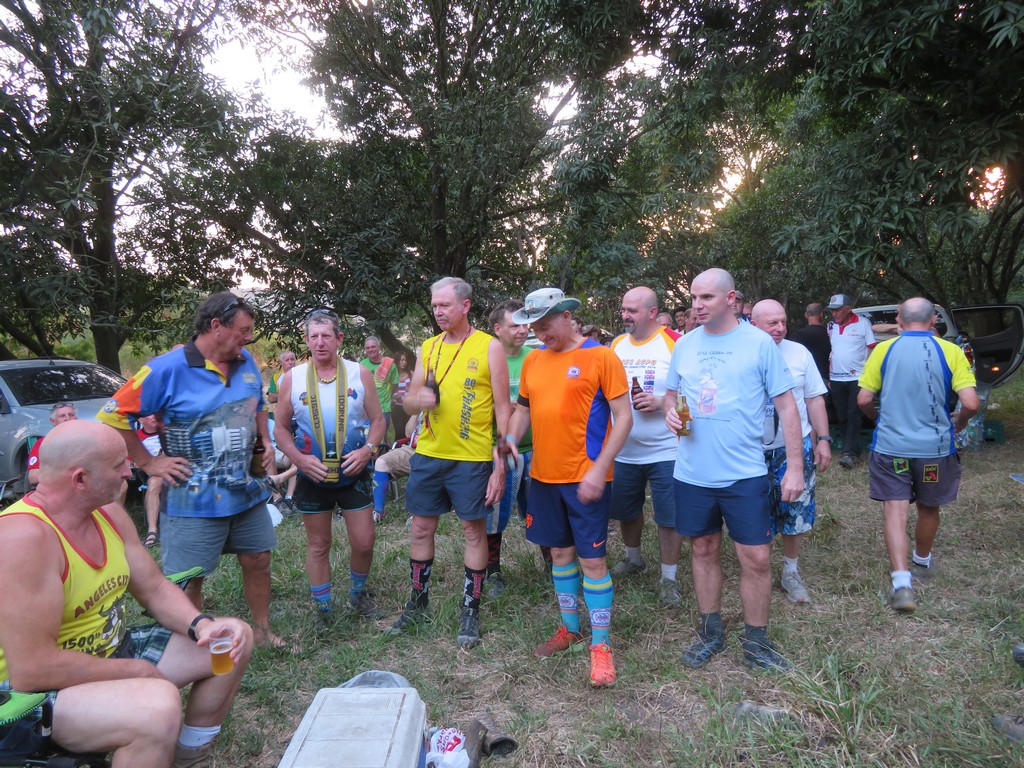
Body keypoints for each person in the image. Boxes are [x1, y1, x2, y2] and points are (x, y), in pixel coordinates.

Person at [0, 420, 252, 768]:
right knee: (156, 708)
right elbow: (33, 670)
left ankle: (189, 757)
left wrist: (201, 625)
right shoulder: (23, 538)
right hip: (27, 697)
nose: (129, 472)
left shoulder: (107, 513)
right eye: (118, 464)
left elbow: (154, 589)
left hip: (110, 653)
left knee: (233, 640)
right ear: (80, 479)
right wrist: (137, 671)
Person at [97, 291, 288, 651]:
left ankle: (262, 633)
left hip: (246, 490)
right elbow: (112, 415)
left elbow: (258, 401)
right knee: (190, 578)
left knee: (259, 559)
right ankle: (187, 649)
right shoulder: (165, 369)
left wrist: (264, 437)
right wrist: (148, 462)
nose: (249, 338)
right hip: (191, 499)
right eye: (243, 331)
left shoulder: (246, 360)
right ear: (216, 326)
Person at [664, 268, 804, 671]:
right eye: (694, 298)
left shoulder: (759, 343)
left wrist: (795, 467)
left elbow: (787, 407)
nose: (697, 305)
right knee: (703, 549)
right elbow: (671, 395)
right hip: (693, 473)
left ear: (731, 299)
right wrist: (672, 412)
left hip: (744, 473)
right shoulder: (685, 345)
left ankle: (756, 643)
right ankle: (710, 633)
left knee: (756, 557)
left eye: (706, 297)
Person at [503, 287, 633, 688]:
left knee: (592, 561)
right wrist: (511, 439)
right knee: (559, 553)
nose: (540, 334)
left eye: (546, 325)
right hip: (544, 477)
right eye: (534, 328)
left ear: (567, 316)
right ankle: (570, 629)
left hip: (586, 477)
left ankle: (601, 645)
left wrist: (601, 468)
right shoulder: (534, 360)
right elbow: (523, 410)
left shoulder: (601, 356)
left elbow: (624, 417)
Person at [385, 277, 511, 649]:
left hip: (471, 458)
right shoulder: (429, 347)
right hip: (428, 454)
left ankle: (470, 608)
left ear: (465, 305)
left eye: (445, 305)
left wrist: (501, 465)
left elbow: (504, 409)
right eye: (435, 305)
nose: (438, 311)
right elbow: (409, 402)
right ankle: (418, 601)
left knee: (473, 532)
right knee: (421, 529)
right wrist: (418, 401)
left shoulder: (489, 347)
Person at [856, 297, 978, 613]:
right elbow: (971, 403)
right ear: (934, 319)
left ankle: (901, 585)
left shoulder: (883, 350)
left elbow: (864, 399)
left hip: (891, 448)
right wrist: (959, 423)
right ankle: (922, 562)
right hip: (934, 451)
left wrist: (876, 419)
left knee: (895, 512)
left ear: (899, 319)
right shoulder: (950, 351)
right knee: (929, 506)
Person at [274, 310, 388, 621]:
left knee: (364, 542)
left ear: (339, 339)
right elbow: (280, 428)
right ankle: (323, 609)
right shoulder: (293, 377)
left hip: (354, 470)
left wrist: (368, 450)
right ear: (307, 340)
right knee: (318, 544)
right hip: (312, 474)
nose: (320, 342)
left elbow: (378, 420)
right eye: (314, 336)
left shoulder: (358, 373)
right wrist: (299, 460)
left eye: (326, 336)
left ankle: (358, 595)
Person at [750, 300, 832, 604]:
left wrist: (824, 439)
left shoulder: (799, 353)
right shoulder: (742, 353)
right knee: (754, 510)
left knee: (795, 509)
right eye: (772, 323)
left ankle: (790, 571)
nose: (780, 328)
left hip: (792, 447)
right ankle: (757, 569)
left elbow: (814, 399)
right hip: (750, 449)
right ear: (753, 324)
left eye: (783, 322)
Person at [608, 287, 685, 606]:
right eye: (623, 309)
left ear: (652, 312)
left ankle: (669, 578)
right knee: (626, 510)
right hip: (624, 449)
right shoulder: (616, 345)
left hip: (667, 449)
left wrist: (662, 402)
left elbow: (697, 395)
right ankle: (633, 558)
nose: (625, 315)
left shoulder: (676, 342)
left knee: (669, 517)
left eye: (632, 310)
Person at [483, 299, 535, 597]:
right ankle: (493, 573)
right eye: (515, 325)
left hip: (535, 447)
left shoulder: (536, 358)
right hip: (498, 450)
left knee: (541, 510)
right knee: (494, 514)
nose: (523, 330)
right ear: (498, 329)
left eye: (525, 324)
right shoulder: (486, 359)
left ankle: (552, 566)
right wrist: (503, 407)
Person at [826, 293, 876, 468]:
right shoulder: (830, 326)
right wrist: (829, 373)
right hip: (836, 377)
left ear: (848, 309)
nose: (834, 313)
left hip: (857, 377)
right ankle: (853, 450)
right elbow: (833, 351)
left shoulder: (863, 323)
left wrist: (868, 373)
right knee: (842, 416)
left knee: (854, 414)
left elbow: (872, 349)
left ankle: (848, 453)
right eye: (832, 310)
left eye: (838, 310)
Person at [371, 413, 420, 525]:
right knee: (381, 462)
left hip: (434, 451)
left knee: (424, 468)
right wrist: (416, 412)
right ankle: (379, 511)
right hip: (413, 449)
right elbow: (408, 433)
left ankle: (420, 514)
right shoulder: (422, 409)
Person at [25, 401, 78, 486]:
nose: (68, 419)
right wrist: (67, 474)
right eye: (62, 416)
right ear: (53, 421)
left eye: (71, 415)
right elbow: (33, 477)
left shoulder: (87, 439)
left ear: (76, 419)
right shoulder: (43, 443)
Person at [361, 336, 399, 441]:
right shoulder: (362, 364)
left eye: (373, 347)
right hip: (366, 410)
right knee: (366, 439)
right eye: (368, 348)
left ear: (379, 347)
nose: (370, 350)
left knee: (380, 441)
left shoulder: (390, 364)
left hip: (383, 410)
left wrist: (389, 398)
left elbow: (395, 385)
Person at [137, 414, 165, 549]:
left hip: (174, 469)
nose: (154, 416)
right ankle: (152, 530)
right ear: (140, 420)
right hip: (153, 474)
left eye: (155, 413)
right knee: (154, 483)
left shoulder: (167, 433)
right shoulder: (135, 437)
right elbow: (130, 461)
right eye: (148, 415)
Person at [790, 302, 830, 388]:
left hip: (807, 376)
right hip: (825, 376)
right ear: (821, 314)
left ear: (806, 315)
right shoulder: (829, 333)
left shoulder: (801, 334)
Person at [391, 349, 415, 440]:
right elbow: (388, 391)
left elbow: (417, 389)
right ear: (397, 361)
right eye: (401, 360)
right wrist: (393, 396)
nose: (404, 362)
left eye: (405, 360)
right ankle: (398, 447)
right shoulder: (392, 375)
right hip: (396, 408)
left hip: (409, 407)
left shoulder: (411, 374)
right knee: (399, 432)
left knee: (409, 432)